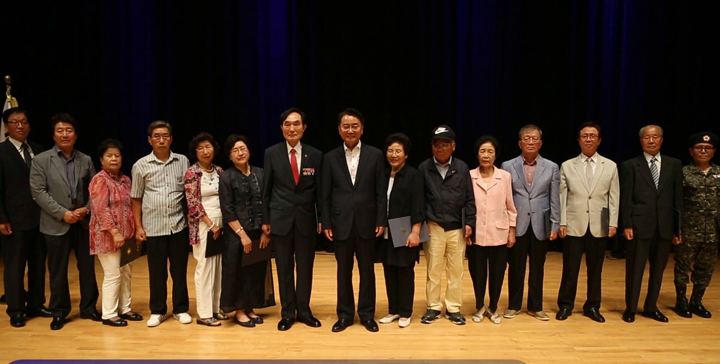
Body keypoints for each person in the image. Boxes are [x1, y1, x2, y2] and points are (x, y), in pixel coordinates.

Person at [29, 113, 100, 330]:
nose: (64, 134)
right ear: (53, 135)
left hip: (81, 221)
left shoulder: (85, 159)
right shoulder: (41, 160)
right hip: (55, 222)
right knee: (57, 269)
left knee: (87, 268)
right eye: (60, 130)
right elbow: (38, 192)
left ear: (76, 135)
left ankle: (88, 308)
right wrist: (62, 213)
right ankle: (59, 311)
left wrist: (85, 209)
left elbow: (95, 189)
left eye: (69, 130)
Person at [320, 108, 386, 333]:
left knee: (367, 271)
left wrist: (381, 219)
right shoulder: (329, 158)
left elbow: (380, 192)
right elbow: (325, 194)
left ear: (362, 129)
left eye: (354, 126)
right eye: (346, 126)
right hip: (341, 224)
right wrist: (326, 222)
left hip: (368, 222)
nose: (350, 130)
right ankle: (345, 315)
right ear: (339, 130)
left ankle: (367, 314)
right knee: (343, 271)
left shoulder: (375, 155)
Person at [262, 108, 322, 331]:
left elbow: (320, 192)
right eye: (287, 124)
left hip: (306, 220)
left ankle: (304, 311)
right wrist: (266, 219)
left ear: (304, 128)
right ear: (281, 128)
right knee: (284, 268)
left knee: (305, 268)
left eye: (296, 124)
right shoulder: (271, 153)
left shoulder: (315, 155)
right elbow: (267, 189)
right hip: (280, 220)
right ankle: (287, 313)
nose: (292, 128)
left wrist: (322, 219)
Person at [557, 121, 619, 323]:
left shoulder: (610, 166)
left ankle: (592, 306)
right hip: (574, 223)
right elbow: (562, 197)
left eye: (593, 136)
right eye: (585, 136)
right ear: (578, 140)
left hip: (599, 224)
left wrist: (613, 223)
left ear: (599, 140)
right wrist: (562, 222)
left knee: (596, 269)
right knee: (570, 268)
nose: (589, 139)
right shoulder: (567, 165)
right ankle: (566, 305)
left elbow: (613, 197)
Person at [620, 125, 683, 323]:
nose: (651, 141)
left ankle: (651, 306)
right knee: (635, 269)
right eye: (647, 137)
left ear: (662, 140)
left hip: (664, 226)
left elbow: (677, 199)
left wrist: (677, 228)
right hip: (639, 226)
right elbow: (626, 198)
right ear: (641, 141)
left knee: (658, 270)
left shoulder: (674, 164)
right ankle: (630, 308)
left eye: (655, 137)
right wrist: (627, 224)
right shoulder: (630, 165)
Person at [131, 120, 191, 327]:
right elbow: (136, 198)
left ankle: (181, 308)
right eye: (157, 136)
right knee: (157, 272)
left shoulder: (183, 161)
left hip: (178, 225)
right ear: (149, 140)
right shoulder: (140, 165)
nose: (161, 140)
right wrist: (138, 227)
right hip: (154, 227)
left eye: (165, 136)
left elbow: (188, 193)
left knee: (179, 270)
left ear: (171, 139)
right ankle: (157, 310)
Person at [500, 125, 559, 321]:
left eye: (535, 139)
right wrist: (507, 225)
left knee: (538, 267)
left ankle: (536, 306)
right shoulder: (507, 166)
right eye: (527, 138)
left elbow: (554, 198)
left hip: (541, 223)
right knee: (516, 266)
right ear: (519, 143)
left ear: (541, 143)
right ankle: (514, 305)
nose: (531, 142)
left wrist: (555, 224)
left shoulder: (551, 167)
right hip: (517, 223)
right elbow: (504, 199)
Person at [418, 124, 475, 325]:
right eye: (436, 145)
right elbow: (420, 200)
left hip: (457, 228)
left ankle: (453, 308)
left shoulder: (461, 167)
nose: (439, 148)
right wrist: (422, 225)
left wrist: (469, 223)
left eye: (444, 144)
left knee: (456, 270)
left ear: (453, 146)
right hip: (433, 226)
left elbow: (469, 198)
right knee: (433, 269)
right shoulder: (424, 168)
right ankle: (433, 307)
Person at [0, 107, 51, 328]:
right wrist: (2, 218)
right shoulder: (1, 152)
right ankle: (16, 309)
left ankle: (36, 303)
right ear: (6, 127)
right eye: (15, 122)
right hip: (14, 219)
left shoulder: (38, 150)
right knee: (15, 266)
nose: (20, 126)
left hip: (40, 218)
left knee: (38, 263)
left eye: (24, 122)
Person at [219, 134, 275, 328]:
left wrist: (266, 232)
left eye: (243, 149)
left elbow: (269, 202)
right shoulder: (226, 177)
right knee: (237, 271)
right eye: (235, 150)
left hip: (259, 232)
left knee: (255, 271)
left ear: (249, 151)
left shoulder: (261, 173)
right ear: (229, 156)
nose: (240, 153)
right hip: (237, 234)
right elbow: (227, 209)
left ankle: (250, 307)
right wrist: (242, 235)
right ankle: (240, 310)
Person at [89, 139, 142, 327]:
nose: (113, 159)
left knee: (126, 272)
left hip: (127, 236)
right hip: (107, 237)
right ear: (101, 159)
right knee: (112, 274)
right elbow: (100, 209)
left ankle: (125, 308)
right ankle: (109, 313)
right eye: (109, 156)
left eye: (117, 155)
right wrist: (114, 233)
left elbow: (132, 206)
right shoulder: (99, 180)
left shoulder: (126, 179)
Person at [468, 136, 517, 324]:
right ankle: (480, 306)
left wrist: (512, 230)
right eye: (482, 151)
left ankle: (493, 307)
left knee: (498, 272)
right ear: (477, 154)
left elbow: (510, 205)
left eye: (490, 151)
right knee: (478, 272)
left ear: (496, 155)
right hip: (477, 233)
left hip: (499, 233)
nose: (486, 155)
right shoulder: (470, 175)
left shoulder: (504, 176)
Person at [377, 133, 423, 328]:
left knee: (405, 271)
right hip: (385, 230)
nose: (393, 154)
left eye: (398, 151)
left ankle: (405, 312)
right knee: (389, 270)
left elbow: (418, 206)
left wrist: (415, 232)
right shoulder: (383, 173)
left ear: (406, 154)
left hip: (404, 227)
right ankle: (393, 309)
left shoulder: (414, 175)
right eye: (390, 150)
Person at [674, 132, 720, 319]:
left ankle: (697, 300)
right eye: (699, 148)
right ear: (691, 151)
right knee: (682, 267)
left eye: (707, 148)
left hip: (713, 232)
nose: (703, 151)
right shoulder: (682, 173)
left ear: (714, 151)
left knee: (705, 268)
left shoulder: (719, 172)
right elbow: (675, 203)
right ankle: (681, 301)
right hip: (688, 230)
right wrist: (676, 229)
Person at [184, 133, 225, 327]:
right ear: (195, 152)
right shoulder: (192, 173)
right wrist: (211, 225)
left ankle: (216, 308)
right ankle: (204, 313)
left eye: (208, 146)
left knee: (218, 267)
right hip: (203, 223)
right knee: (204, 267)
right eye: (200, 148)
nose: (205, 151)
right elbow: (193, 203)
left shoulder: (219, 170)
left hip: (221, 222)